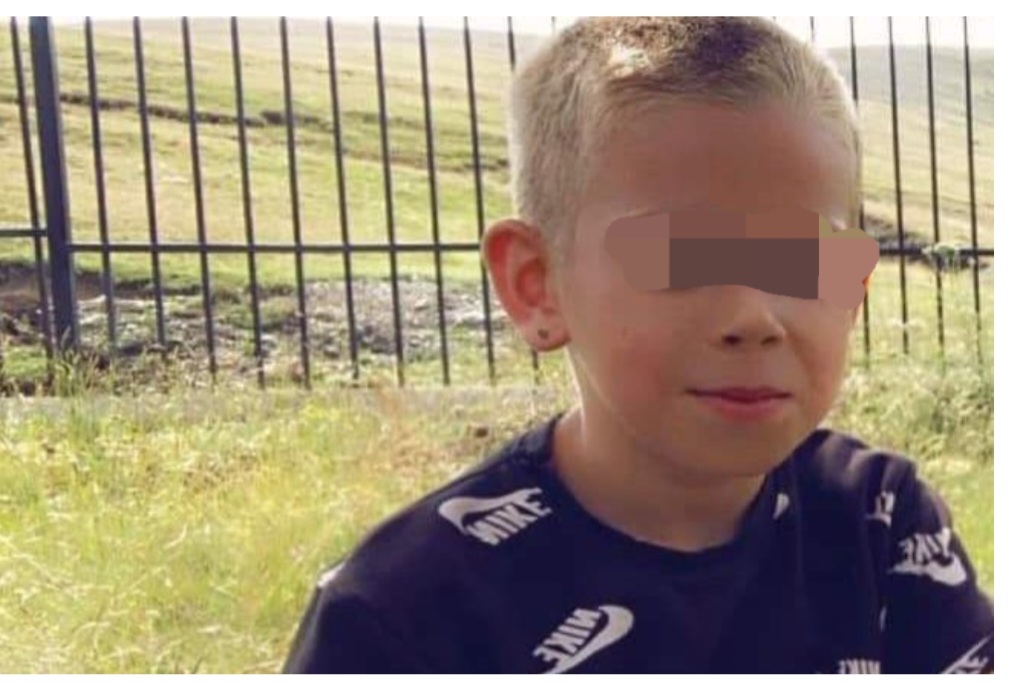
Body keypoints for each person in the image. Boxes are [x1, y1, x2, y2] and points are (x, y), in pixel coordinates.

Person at [281, 17, 993, 673]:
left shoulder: (881, 525)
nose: (753, 316)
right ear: (537, 285)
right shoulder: (401, 617)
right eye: (683, 256)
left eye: (802, 259)